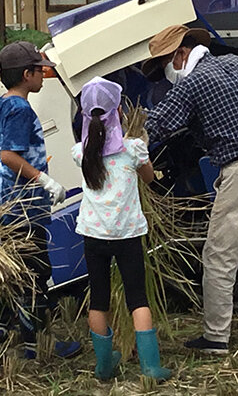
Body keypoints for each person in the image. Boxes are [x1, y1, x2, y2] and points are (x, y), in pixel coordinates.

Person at [142, 25, 238, 354]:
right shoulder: (236, 64)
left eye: (165, 67)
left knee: (218, 258)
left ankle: (216, 337)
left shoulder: (193, 83)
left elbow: (154, 128)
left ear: (180, 54)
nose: (167, 77)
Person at [71, 77, 171, 381]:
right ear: (118, 112)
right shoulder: (133, 149)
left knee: (99, 298)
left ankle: (104, 365)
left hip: (93, 234)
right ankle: (151, 368)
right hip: (127, 235)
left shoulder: (80, 152)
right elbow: (150, 178)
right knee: (137, 297)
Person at [0, 41, 81, 360]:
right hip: (21, 202)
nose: (43, 75)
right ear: (27, 75)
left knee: (15, 265)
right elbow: (9, 155)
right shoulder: (20, 109)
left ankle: (3, 325)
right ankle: (35, 343)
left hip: (8, 199)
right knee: (34, 270)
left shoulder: (2, 104)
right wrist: (43, 178)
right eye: (39, 70)